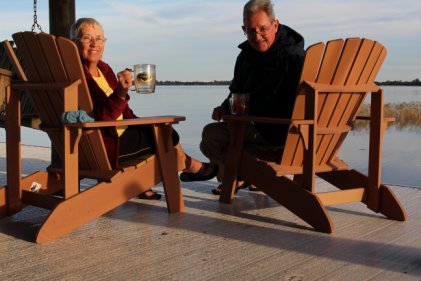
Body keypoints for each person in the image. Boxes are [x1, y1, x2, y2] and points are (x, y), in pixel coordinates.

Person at [70, 18, 218, 199]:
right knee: (167, 136)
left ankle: (186, 169)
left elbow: (124, 112)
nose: (95, 44)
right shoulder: (78, 76)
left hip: (114, 135)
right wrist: (121, 93)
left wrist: (140, 122)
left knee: (162, 133)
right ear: (73, 43)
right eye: (87, 38)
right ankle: (194, 167)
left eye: (100, 38)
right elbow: (102, 117)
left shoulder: (104, 68)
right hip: (105, 145)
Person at [200, 0, 305, 195]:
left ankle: (247, 176)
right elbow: (236, 92)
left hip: (283, 135)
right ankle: (245, 176)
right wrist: (224, 107)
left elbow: (302, 102)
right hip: (253, 126)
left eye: (262, 29)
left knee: (212, 139)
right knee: (209, 137)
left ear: (275, 24)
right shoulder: (245, 57)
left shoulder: (294, 57)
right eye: (251, 31)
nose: (257, 37)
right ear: (243, 29)